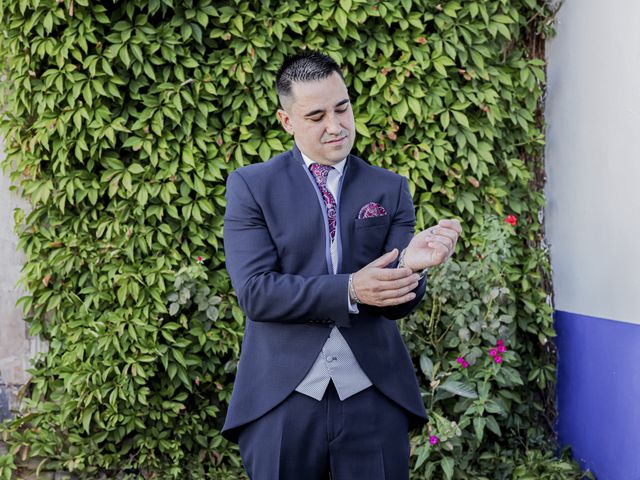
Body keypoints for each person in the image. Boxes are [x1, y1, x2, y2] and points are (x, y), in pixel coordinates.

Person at [221, 51, 461, 480]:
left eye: (342, 108)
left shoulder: (389, 188)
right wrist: (349, 289)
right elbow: (256, 292)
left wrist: (412, 265)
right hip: (281, 397)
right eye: (316, 116)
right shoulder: (252, 187)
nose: (335, 125)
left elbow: (395, 304)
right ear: (286, 120)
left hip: (373, 393)